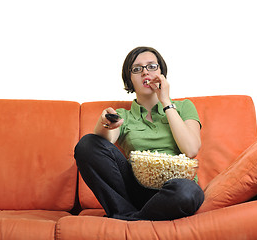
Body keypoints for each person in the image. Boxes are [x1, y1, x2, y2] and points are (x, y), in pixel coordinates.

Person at [74, 46, 204, 221]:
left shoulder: (183, 107)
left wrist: (165, 101)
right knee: (87, 143)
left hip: (175, 189)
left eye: (151, 66)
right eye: (137, 69)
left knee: (187, 192)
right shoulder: (124, 115)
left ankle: (131, 218)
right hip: (135, 190)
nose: (145, 72)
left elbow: (191, 149)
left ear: (162, 73)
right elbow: (102, 144)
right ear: (130, 79)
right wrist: (105, 122)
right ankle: (134, 214)